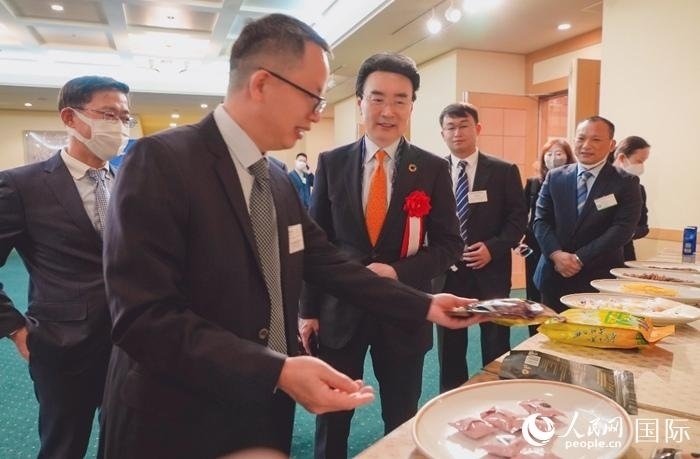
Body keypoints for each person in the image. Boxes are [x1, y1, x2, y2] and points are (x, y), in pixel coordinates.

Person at [99, 14, 484, 459]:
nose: (317, 113)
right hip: (179, 415)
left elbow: (327, 263)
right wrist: (276, 370)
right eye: (312, 97)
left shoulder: (277, 179)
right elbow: (143, 318)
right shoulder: (162, 162)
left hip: (262, 407)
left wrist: (424, 304)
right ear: (262, 83)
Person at [298, 52, 463, 459]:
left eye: (400, 100)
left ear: (411, 106)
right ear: (360, 103)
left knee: (402, 416)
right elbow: (315, 244)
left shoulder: (431, 168)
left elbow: (449, 244)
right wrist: (308, 310)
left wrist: (396, 271)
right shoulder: (331, 163)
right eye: (377, 98)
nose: (388, 111)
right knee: (332, 416)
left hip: (404, 312)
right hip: (340, 312)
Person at [0, 75, 132, 458]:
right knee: (63, 446)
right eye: (108, 114)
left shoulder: (130, 182)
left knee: (126, 443)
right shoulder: (20, 186)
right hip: (62, 346)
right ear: (70, 118)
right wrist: (15, 329)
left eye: (125, 117)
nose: (119, 126)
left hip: (132, 344)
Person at [436, 102, 528, 392]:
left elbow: (517, 219)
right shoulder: (432, 171)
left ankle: (497, 393)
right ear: (442, 133)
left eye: (463, 126)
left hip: (491, 271)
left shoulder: (503, 170)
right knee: (450, 346)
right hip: (448, 273)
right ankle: (452, 396)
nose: (457, 133)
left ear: (477, 129)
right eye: (450, 127)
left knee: (496, 340)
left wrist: (493, 248)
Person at [533, 116, 642, 312]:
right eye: (581, 138)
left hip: (599, 278)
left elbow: (623, 229)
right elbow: (541, 221)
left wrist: (579, 258)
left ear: (612, 145)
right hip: (554, 274)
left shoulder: (626, 182)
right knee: (551, 328)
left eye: (596, 139)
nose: (586, 145)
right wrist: (556, 255)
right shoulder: (555, 177)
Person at [522, 139, 574, 335]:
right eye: (549, 154)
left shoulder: (573, 182)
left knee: (558, 292)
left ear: (568, 156)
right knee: (534, 293)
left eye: (559, 153)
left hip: (562, 245)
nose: (553, 158)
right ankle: (534, 333)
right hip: (534, 245)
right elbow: (522, 213)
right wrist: (518, 241)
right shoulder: (533, 182)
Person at [611, 136, 651, 261]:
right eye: (639, 161)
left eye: (644, 162)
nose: (642, 166)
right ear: (622, 158)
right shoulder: (600, 185)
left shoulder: (638, 189)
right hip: (595, 255)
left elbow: (644, 227)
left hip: (625, 255)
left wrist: (628, 232)